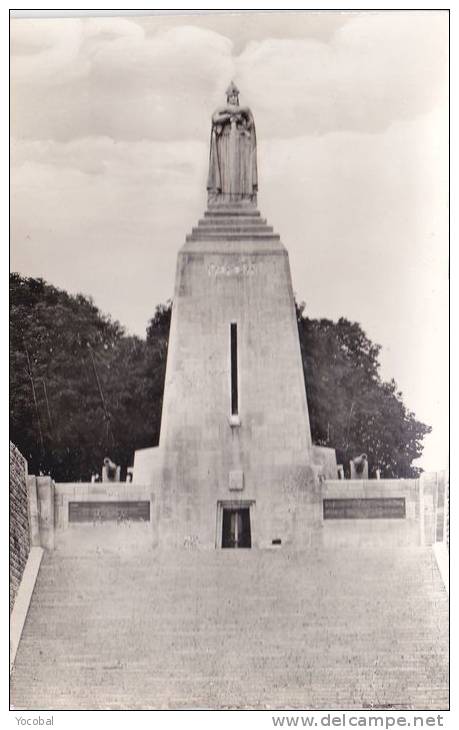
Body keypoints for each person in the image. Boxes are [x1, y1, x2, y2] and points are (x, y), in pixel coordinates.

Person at [207, 81, 258, 205]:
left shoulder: (244, 109)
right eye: (231, 96)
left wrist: (240, 119)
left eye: (235, 96)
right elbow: (215, 118)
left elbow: (250, 121)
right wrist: (229, 116)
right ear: (228, 97)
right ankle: (224, 198)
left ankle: (242, 197)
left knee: (240, 172)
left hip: (241, 144)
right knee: (226, 171)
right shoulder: (222, 109)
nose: (234, 98)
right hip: (225, 142)